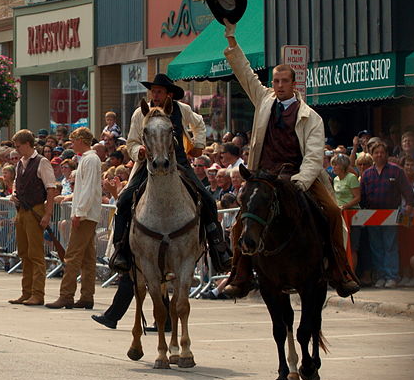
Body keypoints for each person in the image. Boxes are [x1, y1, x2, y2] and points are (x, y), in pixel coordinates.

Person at [221, 20, 360, 298]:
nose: (280, 85)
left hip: (298, 178)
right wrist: (232, 39)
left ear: (294, 84)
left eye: (285, 81)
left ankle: (339, 269)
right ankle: (239, 272)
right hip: (265, 176)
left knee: (332, 211)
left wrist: (300, 182)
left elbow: (313, 157)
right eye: (276, 81)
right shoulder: (264, 101)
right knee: (241, 220)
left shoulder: (312, 117)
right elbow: (245, 73)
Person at [108, 74, 230, 276]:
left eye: (159, 92)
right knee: (123, 201)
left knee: (207, 199)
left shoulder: (181, 109)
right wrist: (139, 151)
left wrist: (199, 145)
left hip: (179, 163)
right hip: (148, 166)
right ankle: (120, 250)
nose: (155, 95)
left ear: (168, 94)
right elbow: (131, 141)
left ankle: (219, 249)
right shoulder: (140, 113)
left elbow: (199, 123)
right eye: (153, 91)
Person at [46, 127, 101, 309]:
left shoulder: (91, 160)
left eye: (75, 140)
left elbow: (89, 188)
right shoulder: (87, 159)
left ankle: (66, 295)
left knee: (72, 255)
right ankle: (87, 295)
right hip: (86, 213)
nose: (72, 143)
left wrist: (79, 212)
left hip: (85, 215)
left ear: (82, 141)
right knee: (87, 257)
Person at [8, 129, 59, 306]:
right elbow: (17, 185)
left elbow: (51, 189)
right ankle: (26, 292)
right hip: (22, 210)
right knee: (24, 252)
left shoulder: (41, 162)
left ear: (28, 144)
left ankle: (38, 293)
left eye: (19, 145)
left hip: (35, 209)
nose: (17, 149)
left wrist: (47, 213)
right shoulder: (20, 163)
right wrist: (14, 195)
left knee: (36, 254)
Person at [359, 141, 414, 288]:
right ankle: (381, 277)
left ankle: (392, 277)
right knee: (376, 247)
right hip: (371, 216)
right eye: (376, 152)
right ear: (372, 155)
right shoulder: (367, 174)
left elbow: (407, 190)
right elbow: (362, 197)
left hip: (391, 215)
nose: (379, 155)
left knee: (390, 246)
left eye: (382, 152)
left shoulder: (396, 171)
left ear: (386, 154)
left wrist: (409, 204)